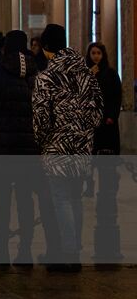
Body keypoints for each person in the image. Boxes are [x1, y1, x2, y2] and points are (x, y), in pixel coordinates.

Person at [31, 28, 103, 271]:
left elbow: (41, 117)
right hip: (82, 146)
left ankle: (68, 254)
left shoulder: (46, 77)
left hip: (56, 147)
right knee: (75, 198)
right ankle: (74, 253)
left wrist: (43, 142)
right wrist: (83, 132)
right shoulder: (86, 74)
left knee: (61, 199)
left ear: (45, 48)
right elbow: (98, 111)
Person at [0, 30, 47, 266]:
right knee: (26, 200)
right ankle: (25, 251)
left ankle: (2, 251)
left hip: (2, 148)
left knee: (1, 200)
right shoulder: (37, 74)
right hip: (29, 148)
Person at [87, 42, 123, 261]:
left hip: (107, 128)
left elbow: (116, 97)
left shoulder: (110, 74)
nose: (96, 57)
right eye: (93, 53)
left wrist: (111, 116)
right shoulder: (87, 74)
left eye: (99, 53)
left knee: (107, 175)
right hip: (93, 128)